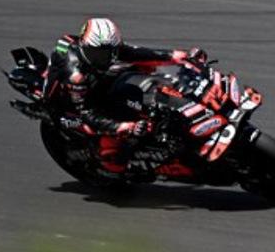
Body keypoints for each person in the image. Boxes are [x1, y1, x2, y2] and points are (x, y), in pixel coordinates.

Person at [44, 17, 205, 176]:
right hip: (68, 107)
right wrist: (124, 127)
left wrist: (178, 56)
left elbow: (133, 53)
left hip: (92, 85)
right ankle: (109, 167)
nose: (104, 59)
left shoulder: (101, 48)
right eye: (98, 54)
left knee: (139, 69)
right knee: (114, 153)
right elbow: (87, 113)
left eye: (108, 53)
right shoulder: (76, 76)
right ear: (84, 46)